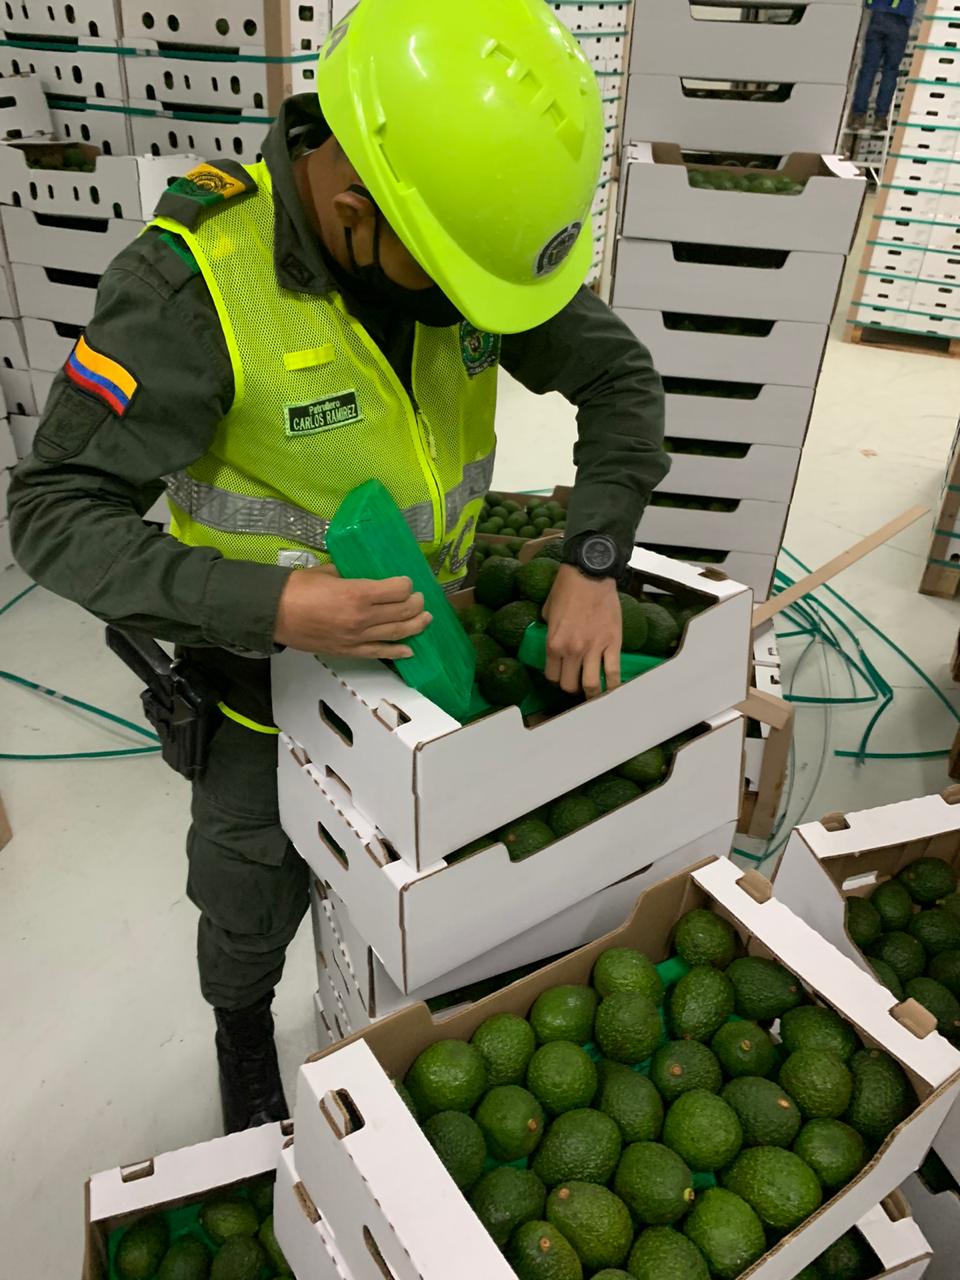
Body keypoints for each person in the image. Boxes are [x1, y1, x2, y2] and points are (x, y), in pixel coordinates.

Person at [6, 0, 668, 1132]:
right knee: (247, 886)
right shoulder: (193, 290)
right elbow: (54, 511)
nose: (475, 307)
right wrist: (272, 603)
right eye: (452, 276)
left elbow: (620, 382)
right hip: (260, 695)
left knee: (421, 887)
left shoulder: (462, 248)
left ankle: (403, 1021)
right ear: (354, 204)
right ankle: (238, 1024)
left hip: (426, 667)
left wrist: (593, 555)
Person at [848, 0, 916, 132]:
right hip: (900, 21)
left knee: (868, 69)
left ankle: (857, 116)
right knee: (890, 71)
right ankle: (880, 118)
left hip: (877, 16)